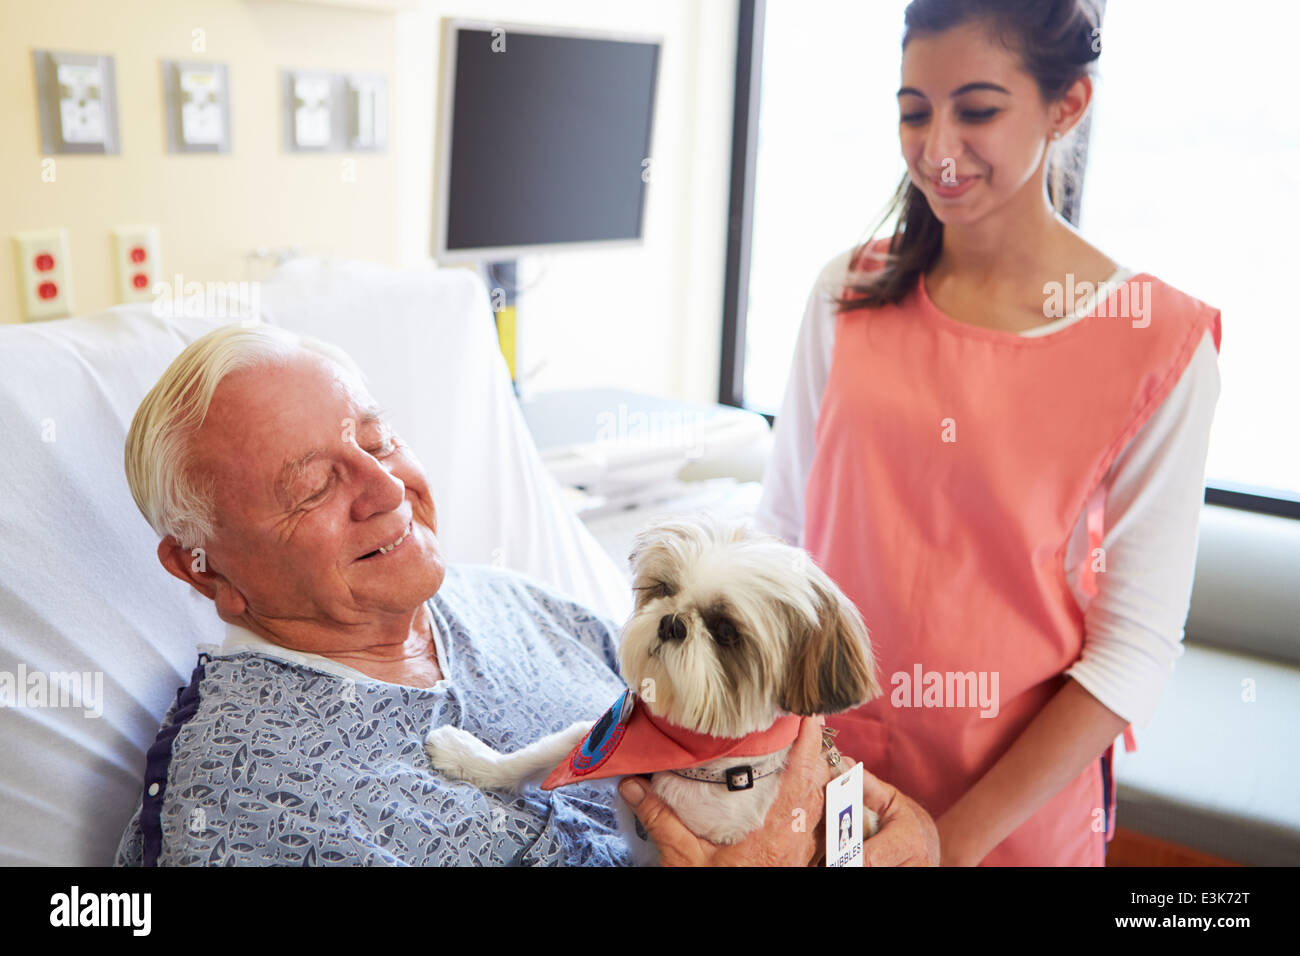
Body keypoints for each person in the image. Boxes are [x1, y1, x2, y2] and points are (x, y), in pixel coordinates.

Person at [115, 323, 938, 866]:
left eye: (377, 440)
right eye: (313, 486)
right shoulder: (244, 802)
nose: (386, 488)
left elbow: (885, 818)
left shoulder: (526, 608)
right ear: (203, 570)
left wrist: (902, 842)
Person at [755, 0, 1222, 866]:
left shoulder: (1157, 344)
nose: (937, 150)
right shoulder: (846, 295)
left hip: (1013, 823)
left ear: (1067, 105)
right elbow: (780, 538)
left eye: (977, 111)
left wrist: (945, 845)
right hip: (826, 790)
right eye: (913, 111)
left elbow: (1134, 650)